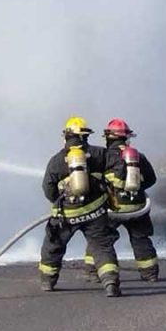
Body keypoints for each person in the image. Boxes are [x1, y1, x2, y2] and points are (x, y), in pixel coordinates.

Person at [39, 117, 122, 297]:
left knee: (53, 245)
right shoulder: (99, 154)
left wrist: (60, 200)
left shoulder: (56, 161)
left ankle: (47, 281)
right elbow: (119, 167)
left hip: (66, 215)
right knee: (101, 247)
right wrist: (106, 185)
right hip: (95, 212)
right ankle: (110, 282)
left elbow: (48, 189)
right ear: (85, 136)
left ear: (66, 136)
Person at [84, 118, 159, 282]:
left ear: (108, 138)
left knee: (100, 239)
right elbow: (151, 179)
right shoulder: (139, 157)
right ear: (127, 137)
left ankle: (93, 272)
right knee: (141, 239)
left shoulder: (103, 157)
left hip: (113, 207)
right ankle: (150, 274)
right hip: (138, 207)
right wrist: (137, 189)